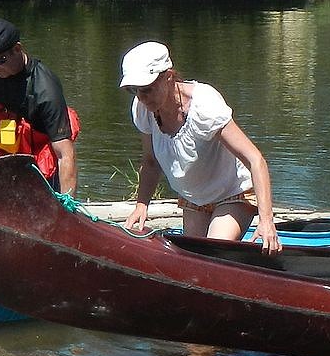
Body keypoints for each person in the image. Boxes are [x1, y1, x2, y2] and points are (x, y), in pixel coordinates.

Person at [119, 41, 280, 254]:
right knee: (190, 258)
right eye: (134, 90)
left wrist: (266, 220)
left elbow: (255, 159)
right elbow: (150, 162)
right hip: (193, 199)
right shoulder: (143, 108)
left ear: (168, 77)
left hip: (232, 193)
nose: (141, 97)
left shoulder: (204, 105)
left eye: (147, 89)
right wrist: (141, 205)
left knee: (212, 253)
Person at [0, 18, 79, 196]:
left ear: (17, 49)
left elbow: (65, 155)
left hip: (40, 176)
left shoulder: (45, 89)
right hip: (5, 167)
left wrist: (67, 208)